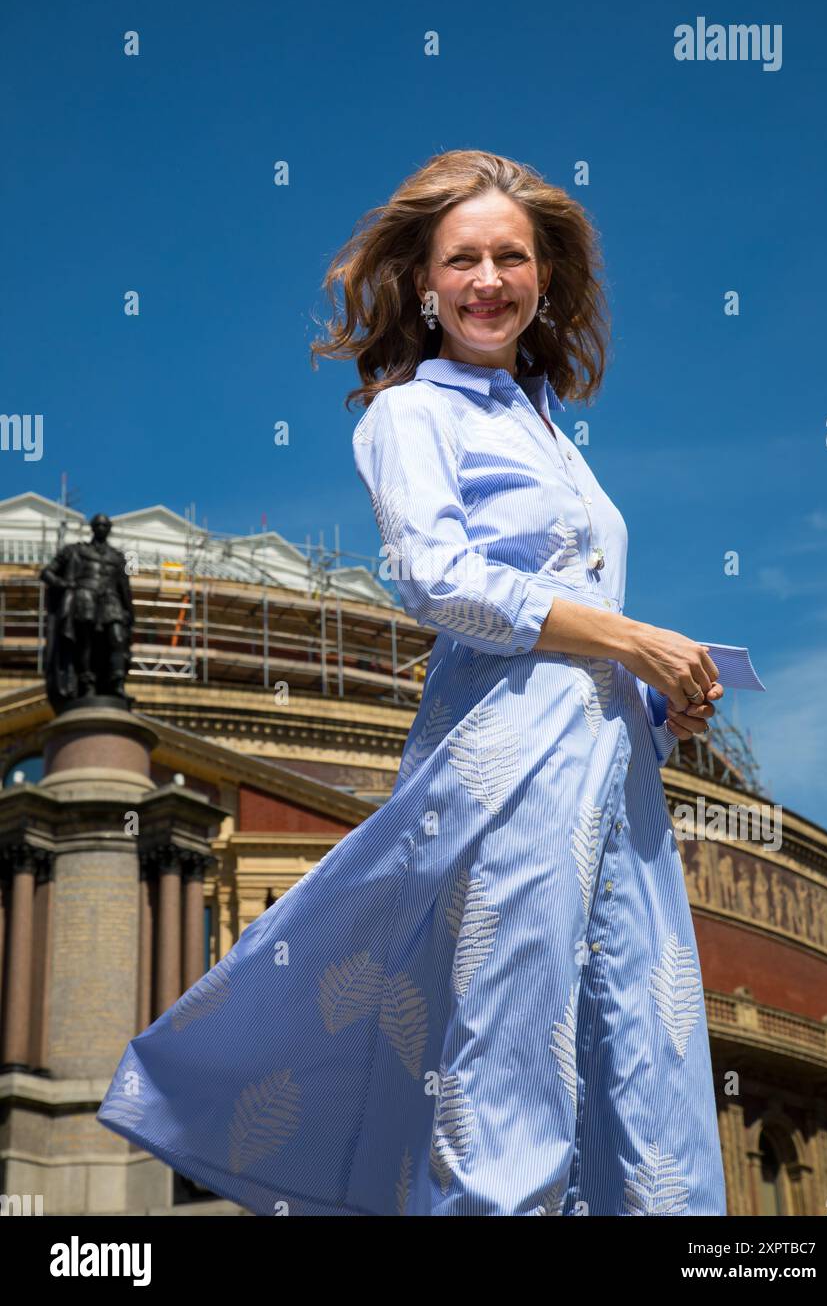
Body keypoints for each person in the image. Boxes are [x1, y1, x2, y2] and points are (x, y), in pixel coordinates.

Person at [97, 148, 727, 1216]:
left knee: (640, 1069)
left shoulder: (546, 431)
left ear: (543, 280)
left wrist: (664, 699)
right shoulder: (408, 413)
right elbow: (439, 581)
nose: (488, 279)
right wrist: (628, 638)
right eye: (463, 259)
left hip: (615, 789)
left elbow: (573, 622)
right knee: (506, 1066)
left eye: (511, 257)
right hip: (506, 779)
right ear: (424, 286)